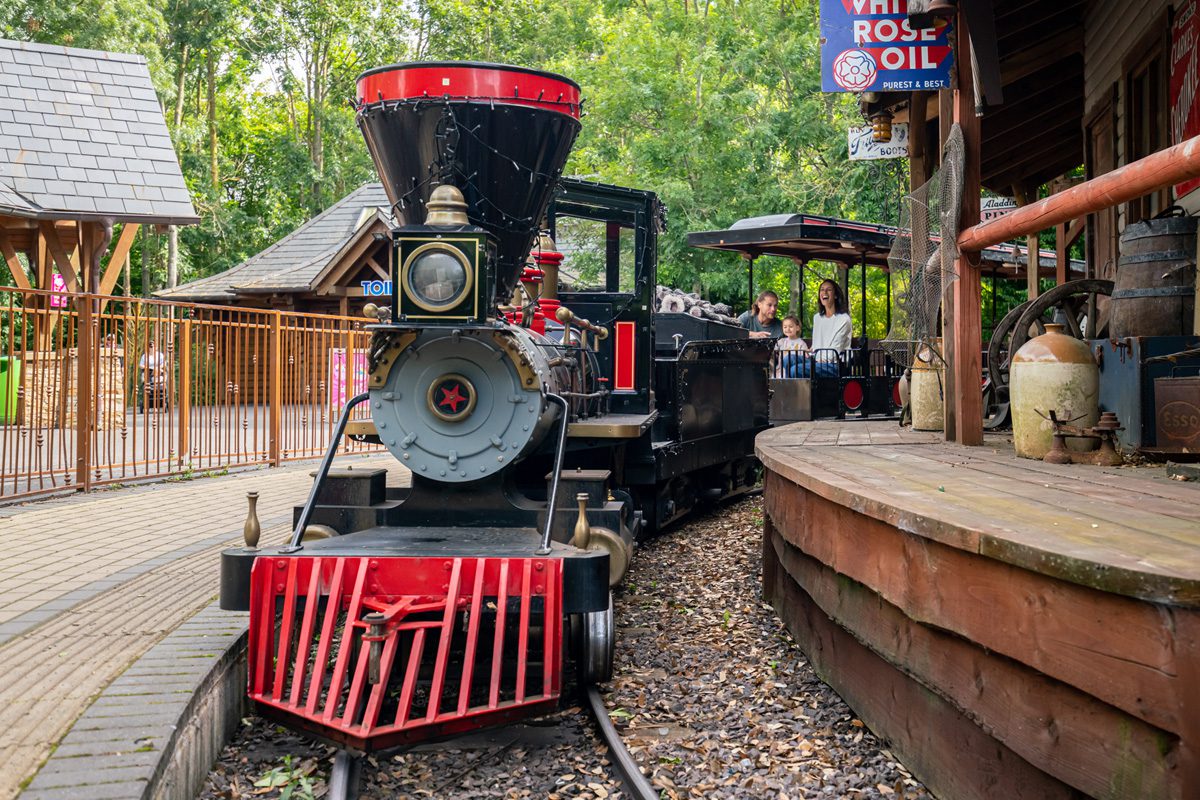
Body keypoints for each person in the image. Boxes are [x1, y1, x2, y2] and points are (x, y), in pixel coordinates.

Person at [800, 279, 852, 378]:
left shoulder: (844, 319)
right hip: (817, 360)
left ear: (836, 295)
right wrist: (810, 351)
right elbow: (816, 344)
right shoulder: (817, 318)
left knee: (796, 369)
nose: (824, 292)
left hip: (836, 364)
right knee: (788, 360)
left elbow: (835, 351)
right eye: (822, 290)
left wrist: (817, 358)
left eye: (829, 290)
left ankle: (805, 392)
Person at [138, 339, 166, 412]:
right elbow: (141, 365)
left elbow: (163, 363)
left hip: (158, 372)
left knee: (159, 372)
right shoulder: (145, 356)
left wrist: (157, 368)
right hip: (148, 372)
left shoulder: (160, 355)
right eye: (150, 346)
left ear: (156, 347)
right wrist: (147, 367)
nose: (151, 347)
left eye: (153, 346)